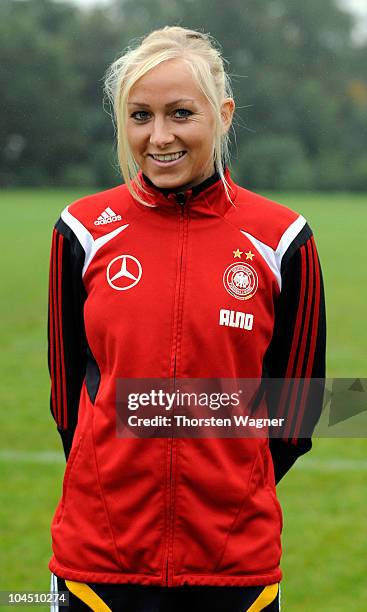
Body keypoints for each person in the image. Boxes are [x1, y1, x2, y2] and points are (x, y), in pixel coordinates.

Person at [47, 25, 326, 612]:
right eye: (140, 116)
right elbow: (67, 401)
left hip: (234, 569)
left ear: (223, 115)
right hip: (99, 564)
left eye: (181, 113)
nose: (159, 136)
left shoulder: (284, 239)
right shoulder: (80, 231)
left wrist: (232, 482)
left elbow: (297, 408)